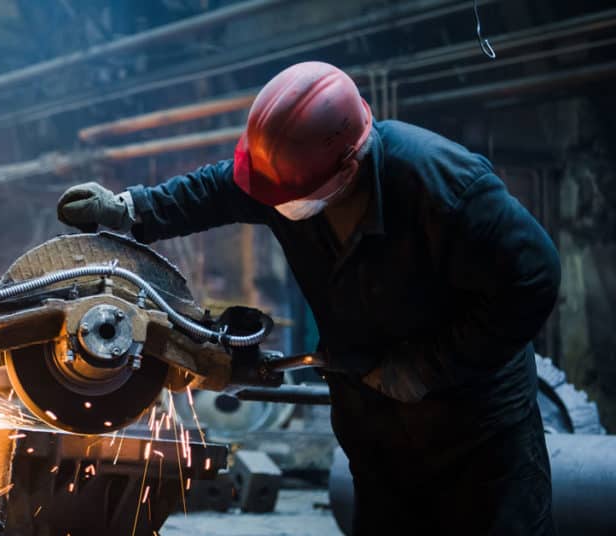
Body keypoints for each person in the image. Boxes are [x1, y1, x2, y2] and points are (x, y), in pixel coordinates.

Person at [56, 62, 560, 535]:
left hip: (477, 439)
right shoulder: (288, 175)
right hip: (376, 435)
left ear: (349, 166)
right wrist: (131, 209)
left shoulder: (444, 187)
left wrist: (431, 366)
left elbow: (533, 278)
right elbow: (212, 191)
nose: (276, 203)